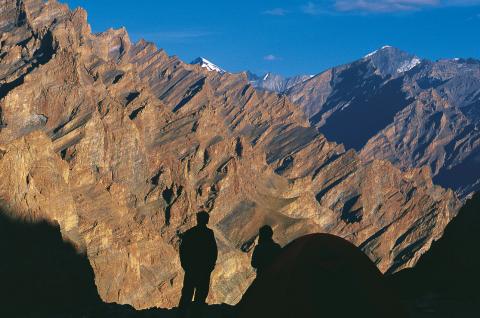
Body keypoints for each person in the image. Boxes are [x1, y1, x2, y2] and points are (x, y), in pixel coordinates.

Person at [178, 211, 218, 315]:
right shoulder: (209, 233)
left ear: (198, 219)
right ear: (206, 220)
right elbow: (213, 251)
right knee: (201, 293)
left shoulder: (190, 232)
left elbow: (183, 250)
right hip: (204, 269)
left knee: (187, 292)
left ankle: (182, 313)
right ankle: (196, 313)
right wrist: (211, 265)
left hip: (191, 269)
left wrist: (185, 265)